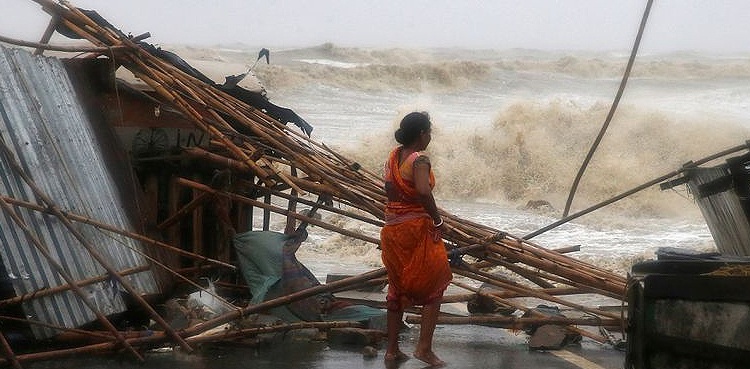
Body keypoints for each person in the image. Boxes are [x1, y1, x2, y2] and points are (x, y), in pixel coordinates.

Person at [380, 111, 452, 367]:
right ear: (422, 134)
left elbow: (389, 191)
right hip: (416, 230)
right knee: (437, 280)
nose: (430, 137)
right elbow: (422, 191)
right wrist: (437, 220)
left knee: (397, 285)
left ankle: (391, 350)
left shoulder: (392, 158)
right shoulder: (419, 160)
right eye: (429, 132)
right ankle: (424, 349)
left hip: (392, 230)